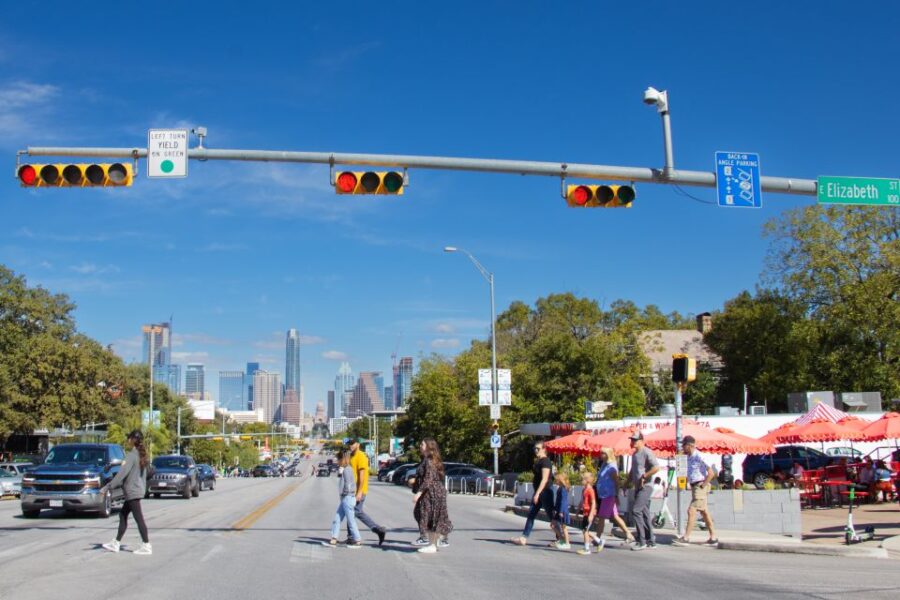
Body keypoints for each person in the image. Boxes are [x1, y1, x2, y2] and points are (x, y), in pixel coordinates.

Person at [101, 430, 151, 555]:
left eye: (128, 438)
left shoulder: (131, 456)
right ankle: (116, 543)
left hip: (132, 491)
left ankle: (146, 545)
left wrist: (108, 487)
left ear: (132, 440)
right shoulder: (141, 455)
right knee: (123, 515)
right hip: (137, 489)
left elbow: (121, 474)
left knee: (139, 518)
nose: (127, 440)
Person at [672, 435, 718, 546]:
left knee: (691, 511)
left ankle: (686, 538)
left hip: (699, 486)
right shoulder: (689, 457)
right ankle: (713, 537)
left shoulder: (699, 456)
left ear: (690, 445)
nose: (683, 447)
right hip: (694, 487)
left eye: (684, 445)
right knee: (704, 512)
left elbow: (711, 473)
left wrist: (704, 485)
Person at [412, 438, 453, 554]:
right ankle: (434, 542)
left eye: (422, 444)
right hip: (433, 492)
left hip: (431, 493)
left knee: (431, 517)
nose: (420, 446)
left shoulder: (429, 460)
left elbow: (428, 479)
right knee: (428, 517)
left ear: (428, 447)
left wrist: (418, 493)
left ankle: (433, 544)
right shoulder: (428, 459)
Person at [345, 438, 387, 546]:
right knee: (351, 512)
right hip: (352, 490)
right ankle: (351, 537)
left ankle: (377, 530)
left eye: (352, 444)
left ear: (358, 444)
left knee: (356, 512)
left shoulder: (361, 456)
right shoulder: (351, 456)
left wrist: (359, 492)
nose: (350, 446)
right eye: (349, 444)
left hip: (360, 490)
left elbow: (362, 476)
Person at [511, 441, 554, 546]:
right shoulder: (538, 461)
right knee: (531, 514)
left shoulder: (546, 462)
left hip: (545, 492)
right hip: (539, 492)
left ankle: (562, 538)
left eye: (538, 449)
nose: (535, 451)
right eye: (534, 449)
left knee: (552, 516)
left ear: (544, 449)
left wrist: (537, 493)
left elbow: (544, 479)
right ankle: (524, 537)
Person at [595, 446, 634, 546]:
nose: (601, 455)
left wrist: (616, 495)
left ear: (608, 454)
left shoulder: (612, 467)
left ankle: (597, 538)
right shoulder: (604, 464)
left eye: (603, 453)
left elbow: (616, 482)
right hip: (603, 494)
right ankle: (628, 533)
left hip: (609, 495)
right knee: (614, 516)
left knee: (602, 517)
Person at [628, 432, 659, 550]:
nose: (633, 442)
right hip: (637, 487)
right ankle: (651, 540)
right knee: (645, 513)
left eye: (635, 440)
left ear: (641, 440)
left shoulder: (647, 452)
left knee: (636, 510)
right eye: (632, 440)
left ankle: (641, 541)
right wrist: (626, 483)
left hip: (646, 486)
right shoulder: (634, 454)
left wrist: (645, 476)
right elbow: (633, 470)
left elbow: (656, 467)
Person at [328, 450, 361, 548]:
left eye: (338, 459)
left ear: (342, 459)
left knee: (351, 520)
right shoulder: (346, 469)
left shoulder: (347, 469)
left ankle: (357, 539)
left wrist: (345, 493)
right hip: (345, 498)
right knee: (337, 518)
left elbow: (349, 484)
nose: (337, 461)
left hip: (347, 498)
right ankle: (334, 537)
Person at [576, 471, 600, 555]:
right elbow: (582, 501)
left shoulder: (590, 490)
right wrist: (578, 511)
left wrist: (591, 514)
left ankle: (587, 549)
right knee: (585, 530)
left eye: (583, 479)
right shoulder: (584, 490)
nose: (581, 480)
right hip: (585, 512)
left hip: (590, 513)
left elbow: (593, 503)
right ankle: (599, 541)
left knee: (585, 531)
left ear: (588, 480)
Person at [549, 472, 571, 550]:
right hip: (558, 510)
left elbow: (563, 501)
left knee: (564, 527)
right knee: (552, 525)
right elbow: (559, 501)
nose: (555, 481)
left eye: (557, 479)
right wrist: (555, 509)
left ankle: (567, 543)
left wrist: (561, 511)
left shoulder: (563, 489)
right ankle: (562, 539)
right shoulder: (561, 488)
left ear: (560, 480)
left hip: (562, 511)